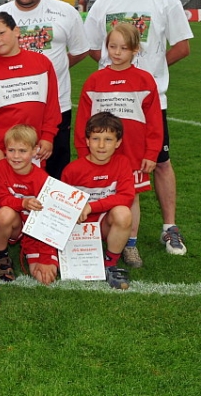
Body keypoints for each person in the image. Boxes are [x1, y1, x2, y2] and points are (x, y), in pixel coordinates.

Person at [84, 0, 193, 258]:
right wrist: (117, 75)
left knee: (159, 161)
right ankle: (111, 223)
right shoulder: (103, 4)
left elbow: (182, 46)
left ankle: (169, 227)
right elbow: (93, 48)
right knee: (107, 158)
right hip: (109, 104)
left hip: (149, 101)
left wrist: (145, 77)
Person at [0, 0, 89, 180]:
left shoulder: (65, 12)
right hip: (6, 113)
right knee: (7, 178)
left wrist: (48, 72)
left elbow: (80, 50)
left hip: (55, 109)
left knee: (54, 174)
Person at [75, 23, 162, 267]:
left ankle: (130, 244)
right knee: (96, 191)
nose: (117, 52)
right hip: (98, 154)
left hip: (133, 153)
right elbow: (82, 120)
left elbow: (155, 121)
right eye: (112, 46)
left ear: (135, 50)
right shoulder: (95, 80)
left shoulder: (144, 79)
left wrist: (151, 152)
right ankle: (90, 238)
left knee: (131, 197)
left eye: (123, 48)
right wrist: (83, 152)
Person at [0, 12, 61, 216]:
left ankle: (27, 233)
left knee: (33, 191)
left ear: (16, 31)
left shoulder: (42, 63)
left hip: (32, 148)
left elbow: (51, 104)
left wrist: (48, 136)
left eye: (1, 33)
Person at [62, 112, 136, 290]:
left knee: (124, 213)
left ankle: (110, 264)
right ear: (87, 141)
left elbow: (127, 196)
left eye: (108, 139)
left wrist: (91, 206)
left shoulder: (122, 163)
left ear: (118, 142)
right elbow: (62, 204)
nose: (101, 145)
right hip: (78, 226)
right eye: (96, 139)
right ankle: (72, 256)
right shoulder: (72, 170)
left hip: (104, 224)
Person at [0, 125, 57, 286]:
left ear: (34, 151)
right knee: (4, 214)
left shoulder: (42, 179)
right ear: (5, 150)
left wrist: (45, 256)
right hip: (16, 225)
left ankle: (34, 249)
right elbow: (0, 199)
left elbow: (48, 218)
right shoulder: (1, 167)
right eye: (11, 150)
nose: (16, 156)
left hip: (35, 231)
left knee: (44, 279)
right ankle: (1, 256)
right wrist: (23, 203)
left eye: (22, 151)